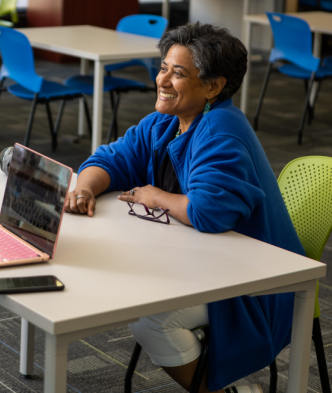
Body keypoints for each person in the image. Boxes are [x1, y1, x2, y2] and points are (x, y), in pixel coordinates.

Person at [65, 23, 305, 393]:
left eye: (178, 73)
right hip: (199, 261)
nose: (163, 80)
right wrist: (84, 187)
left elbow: (208, 212)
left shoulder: (221, 130)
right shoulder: (165, 122)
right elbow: (112, 160)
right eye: (163, 67)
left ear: (213, 86)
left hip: (252, 280)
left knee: (151, 319)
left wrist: (154, 196)